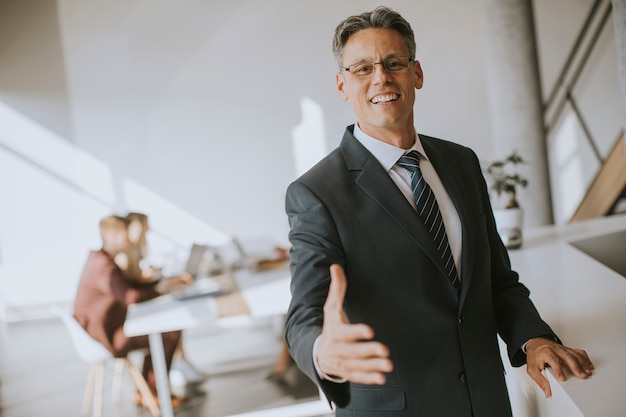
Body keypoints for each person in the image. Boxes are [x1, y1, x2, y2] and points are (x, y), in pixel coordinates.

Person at [284, 6, 594, 417]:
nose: (381, 77)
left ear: (417, 74)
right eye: (362, 69)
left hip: (486, 403)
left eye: (394, 63)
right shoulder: (316, 192)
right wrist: (323, 352)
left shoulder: (461, 162)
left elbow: (497, 280)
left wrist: (532, 339)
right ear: (342, 85)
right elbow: (303, 317)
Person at [73, 215, 185, 408]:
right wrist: (161, 289)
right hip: (104, 339)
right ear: (113, 236)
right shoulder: (104, 266)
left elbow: (128, 287)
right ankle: (152, 391)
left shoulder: (101, 259)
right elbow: (130, 297)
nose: (130, 241)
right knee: (168, 333)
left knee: (161, 330)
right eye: (127, 236)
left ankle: (148, 390)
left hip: (101, 331)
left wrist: (160, 284)